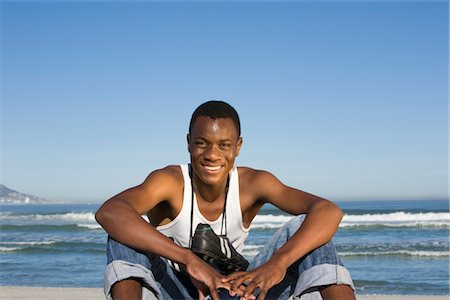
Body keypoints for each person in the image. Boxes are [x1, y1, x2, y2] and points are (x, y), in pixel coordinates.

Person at [96, 100, 355, 300]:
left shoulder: (254, 183)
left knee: (304, 228)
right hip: (180, 292)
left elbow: (328, 211)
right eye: (202, 143)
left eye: (224, 145)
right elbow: (111, 212)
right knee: (123, 234)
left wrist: (277, 264)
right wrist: (189, 260)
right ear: (188, 144)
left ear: (238, 146)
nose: (212, 155)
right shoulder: (170, 181)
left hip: (240, 292)